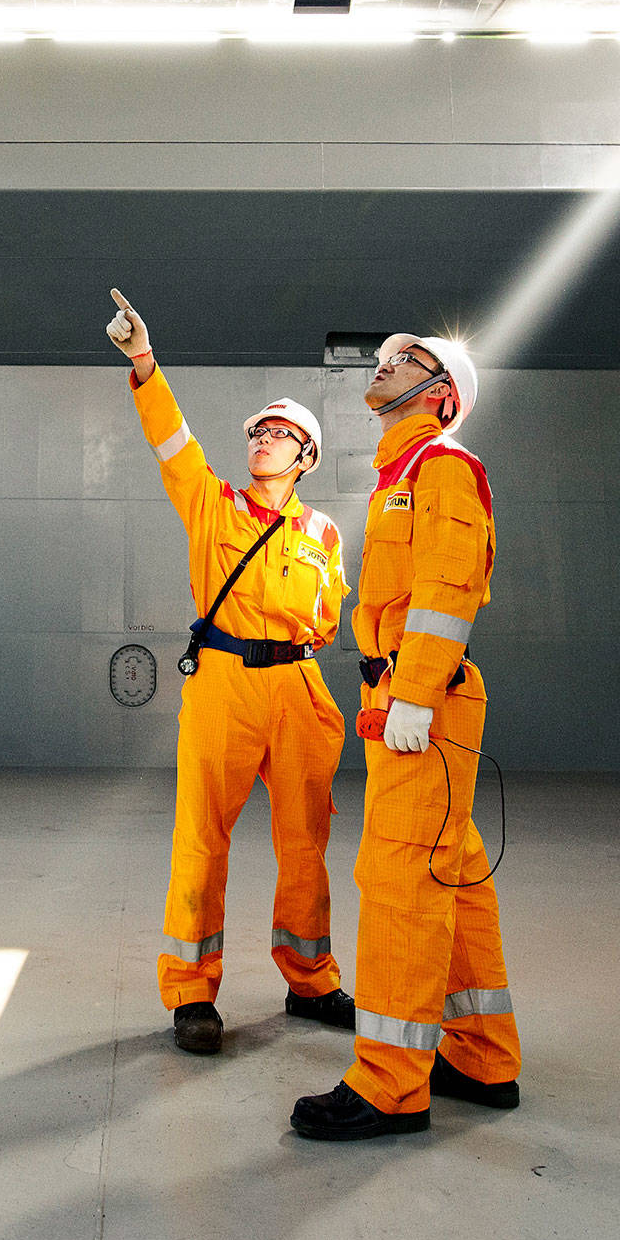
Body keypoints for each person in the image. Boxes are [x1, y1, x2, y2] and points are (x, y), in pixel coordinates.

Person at [105, 289, 356, 1055]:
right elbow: (173, 443)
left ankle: (310, 980)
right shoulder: (213, 505)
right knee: (202, 838)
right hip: (225, 681)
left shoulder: (325, 534)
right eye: (258, 433)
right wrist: (145, 363)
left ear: (306, 458)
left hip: (300, 687)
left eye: (280, 436)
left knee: (306, 841)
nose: (263, 442)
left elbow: (330, 616)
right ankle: (191, 992)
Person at [291, 333, 521, 1140]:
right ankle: (483, 1056)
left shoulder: (442, 466)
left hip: (422, 701)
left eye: (409, 359)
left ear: (442, 394)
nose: (385, 362)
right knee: (450, 871)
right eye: (386, 355)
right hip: (403, 696)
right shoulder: (401, 475)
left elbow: (449, 584)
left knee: (399, 880)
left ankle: (390, 1084)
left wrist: (416, 695)